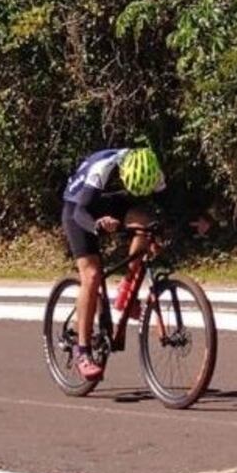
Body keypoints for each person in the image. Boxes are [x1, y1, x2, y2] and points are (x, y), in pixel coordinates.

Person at [61, 147, 166, 381]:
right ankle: (83, 351)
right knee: (92, 275)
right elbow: (81, 212)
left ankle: (126, 292)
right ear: (122, 174)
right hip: (80, 207)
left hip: (115, 203)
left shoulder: (154, 173)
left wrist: (198, 220)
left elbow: (171, 205)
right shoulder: (102, 169)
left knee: (147, 225)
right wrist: (96, 225)